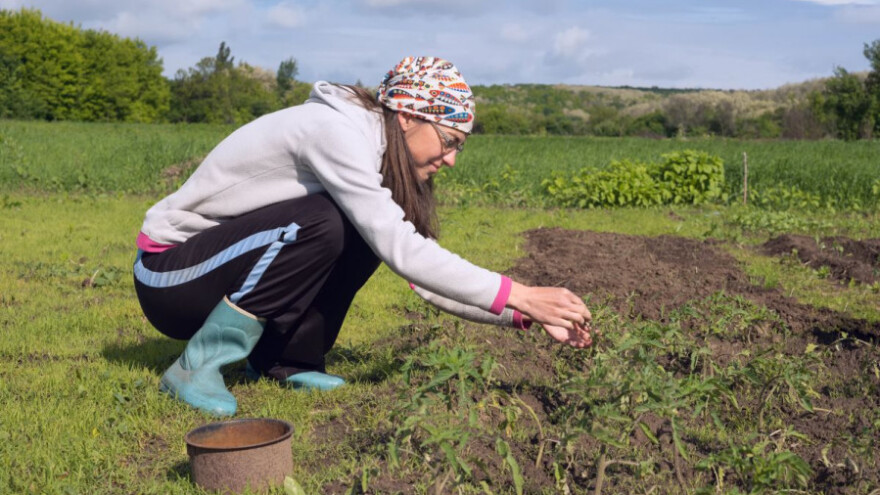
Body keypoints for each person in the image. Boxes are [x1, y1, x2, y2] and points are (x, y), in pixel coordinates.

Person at [133, 56, 594, 417]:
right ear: (410, 116)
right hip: (169, 275)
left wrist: (520, 314)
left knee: (357, 229)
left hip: (216, 272)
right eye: (451, 140)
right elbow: (403, 251)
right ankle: (196, 369)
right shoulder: (335, 132)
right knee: (323, 222)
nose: (452, 159)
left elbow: (419, 269)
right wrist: (524, 293)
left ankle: (286, 362)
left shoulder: (377, 159)